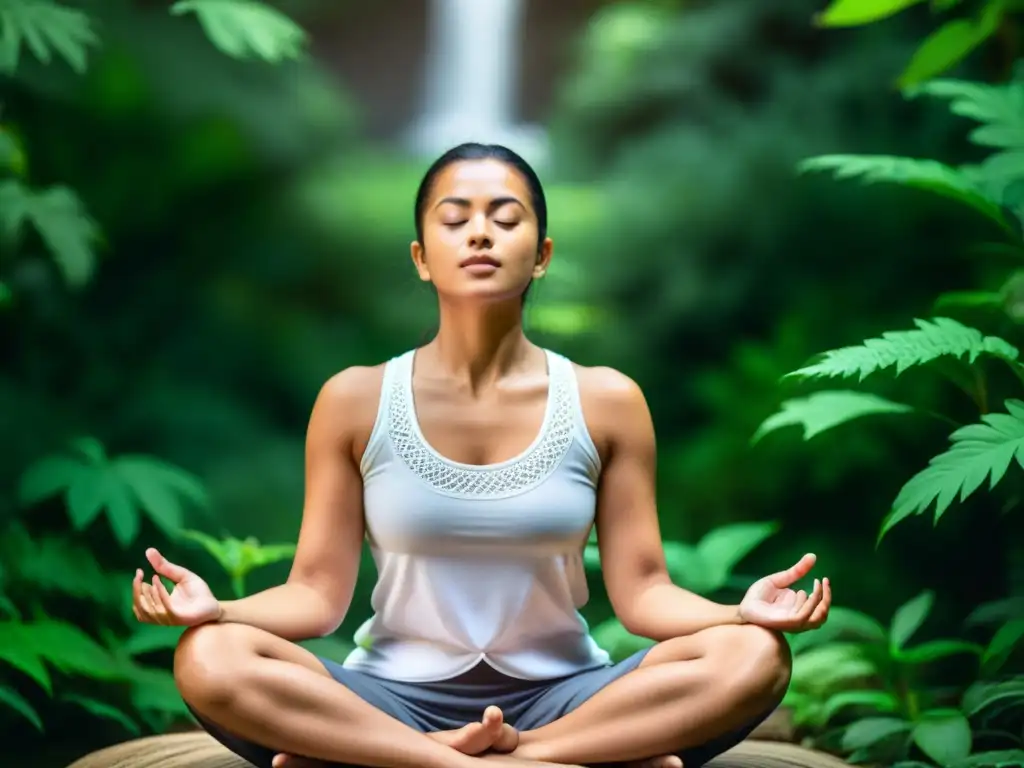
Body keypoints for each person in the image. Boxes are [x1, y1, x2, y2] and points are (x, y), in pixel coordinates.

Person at [131, 142, 832, 768]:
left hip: (568, 696)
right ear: (420, 257)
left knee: (755, 658)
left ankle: (498, 758)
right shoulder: (355, 400)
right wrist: (217, 608)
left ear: (543, 252)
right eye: (454, 216)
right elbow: (315, 596)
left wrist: (741, 615)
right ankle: (454, 758)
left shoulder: (606, 400)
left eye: (506, 216)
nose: (480, 232)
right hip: (390, 695)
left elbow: (645, 592)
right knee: (209, 657)